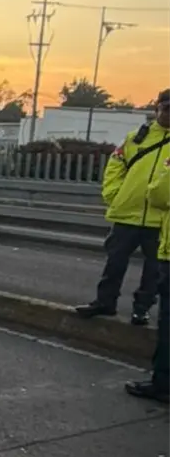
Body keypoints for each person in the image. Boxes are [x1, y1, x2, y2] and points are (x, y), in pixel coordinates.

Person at [75, 89, 170, 325]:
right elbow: (115, 167)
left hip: (160, 219)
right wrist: (115, 195)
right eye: (167, 109)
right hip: (127, 214)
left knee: (154, 270)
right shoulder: (136, 138)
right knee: (114, 262)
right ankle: (105, 302)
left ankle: (142, 309)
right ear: (157, 109)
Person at [129, 92, 170, 402]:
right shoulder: (139, 137)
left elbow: (159, 193)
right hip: (131, 217)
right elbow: (117, 165)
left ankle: (163, 383)